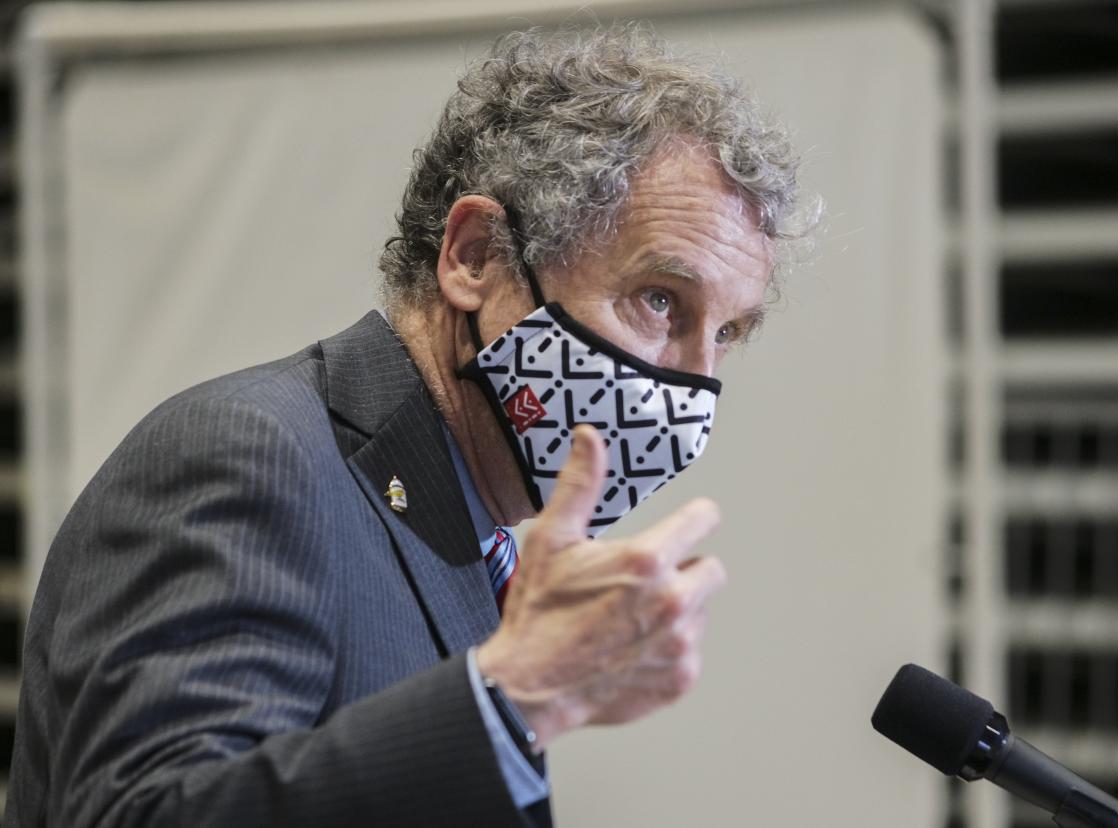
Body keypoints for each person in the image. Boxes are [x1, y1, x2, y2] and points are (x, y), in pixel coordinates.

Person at [6, 25, 806, 827]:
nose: (696, 382)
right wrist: (515, 698)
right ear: (477, 257)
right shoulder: (252, 456)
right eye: (661, 300)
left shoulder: (471, 533)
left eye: (729, 333)